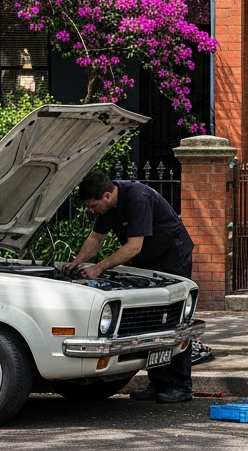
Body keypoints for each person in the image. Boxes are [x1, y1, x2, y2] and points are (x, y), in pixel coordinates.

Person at [64, 171, 195, 403]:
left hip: (172, 258)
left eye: (93, 206)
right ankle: (158, 383)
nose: (92, 211)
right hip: (148, 262)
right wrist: (77, 261)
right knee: (152, 321)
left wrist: (99, 268)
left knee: (173, 320)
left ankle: (181, 386)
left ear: (106, 196)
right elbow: (96, 238)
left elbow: (134, 246)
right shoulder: (108, 206)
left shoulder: (137, 198)